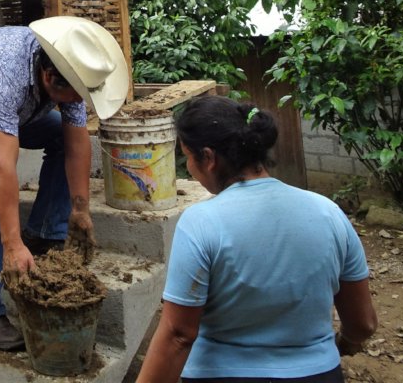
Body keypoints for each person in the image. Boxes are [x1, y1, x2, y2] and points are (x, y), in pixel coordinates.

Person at [136, 96, 378, 383]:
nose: (189, 167)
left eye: (188, 157)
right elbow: (363, 324)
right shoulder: (329, 213)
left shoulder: (200, 222)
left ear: (209, 158)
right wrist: (343, 344)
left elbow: (178, 335)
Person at [0, 16, 129, 351]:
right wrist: (10, 245)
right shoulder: (5, 69)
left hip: (15, 111)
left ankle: (44, 233)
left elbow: (77, 143)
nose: (76, 104)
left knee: (62, 138)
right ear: (49, 77)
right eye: (71, 98)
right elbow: (2, 163)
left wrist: (80, 209)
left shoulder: (69, 74)